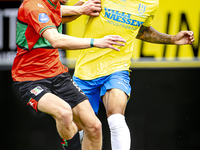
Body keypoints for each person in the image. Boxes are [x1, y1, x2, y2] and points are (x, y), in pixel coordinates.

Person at [70, 0, 195, 149]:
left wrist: (173, 39)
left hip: (116, 68)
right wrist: (80, 9)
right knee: (81, 128)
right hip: (85, 71)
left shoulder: (151, 3)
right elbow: (63, 17)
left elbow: (141, 30)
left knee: (116, 119)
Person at [11, 0, 126, 150]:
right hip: (29, 80)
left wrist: (80, 10)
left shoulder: (51, 4)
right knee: (64, 112)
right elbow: (56, 39)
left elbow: (61, 12)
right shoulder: (33, 5)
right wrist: (96, 42)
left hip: (58, 75)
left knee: (94, 126)